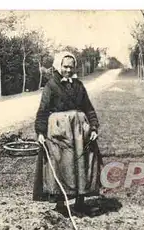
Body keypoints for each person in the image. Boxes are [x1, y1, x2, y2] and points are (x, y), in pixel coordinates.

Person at [33, 51, 102, 217]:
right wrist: (41, 132)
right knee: (60, 164)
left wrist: (93, 127)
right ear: (58, 66)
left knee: (82, 164)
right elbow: (43, 110)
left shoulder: (79, 85)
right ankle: (60, 204)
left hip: (79, 131)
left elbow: (89, 108)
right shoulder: (51, 85)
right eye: (65, 67)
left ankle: (81, 202)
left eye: (71, 67)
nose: (68, 70)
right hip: (59, 132)